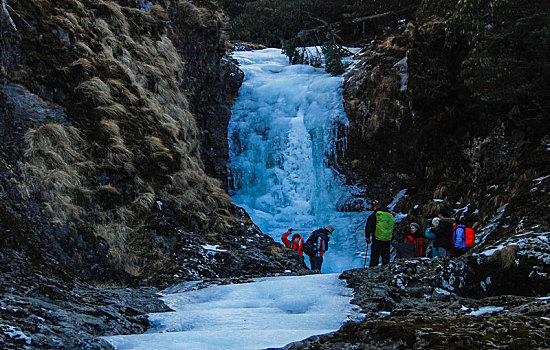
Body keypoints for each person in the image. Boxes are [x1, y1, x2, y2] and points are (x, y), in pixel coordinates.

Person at [365, 201, 394, 267]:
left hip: (377, 240)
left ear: (375, 207)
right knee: (385, 259)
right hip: (387, 240)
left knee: (375, 258)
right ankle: (386, 273)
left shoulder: (375, 215)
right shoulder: (389, 215)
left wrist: (367, 237)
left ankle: (372, 273)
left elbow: (369, 227)